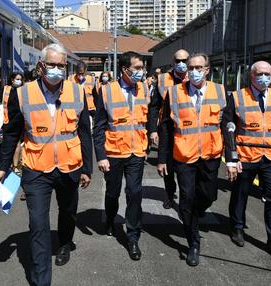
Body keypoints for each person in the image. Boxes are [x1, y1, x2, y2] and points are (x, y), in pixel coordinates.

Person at [0, 43, 93, 286]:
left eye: (61, 65)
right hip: (36, 169)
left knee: (68, 212)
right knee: (38, 224)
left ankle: (65, 243)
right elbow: (11, 133)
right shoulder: (22, 93)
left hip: (70, 166)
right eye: (52, 65)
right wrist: (3, 166)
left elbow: (84, 132)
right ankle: (41, 280)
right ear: (41, 66)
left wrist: (87, 168)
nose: (57, 70)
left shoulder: (77, 92)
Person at [157, 53, 226, 266]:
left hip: (210, 154)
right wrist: (162, 158)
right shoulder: (175, 93)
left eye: (198, 67)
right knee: (186, 198)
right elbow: (166, 128)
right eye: (191, 67)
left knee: (209, 195)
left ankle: (194, 214)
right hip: (184, 156)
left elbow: (228, 126)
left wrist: (232, 158)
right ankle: (193, 242)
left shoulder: (220, 91)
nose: (194, 71)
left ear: (207, 70)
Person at [224, 61, 271, 262]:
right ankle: (237, 227)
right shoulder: (237, 97)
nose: (265, 78)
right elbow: (228, 130)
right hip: (246, 155)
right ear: (252, 76)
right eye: (261, 74)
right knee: (240, 193)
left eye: (268, 74)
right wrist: (232, 158)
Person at [94, 51, 149, 261]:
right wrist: (101, 155)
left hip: (137, 151)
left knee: (134, 192)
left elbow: (147, 117)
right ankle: (109, 218)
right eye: (137, 68)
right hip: (114, 152)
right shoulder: (106, 91)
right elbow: (98, 126)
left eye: (142, 68)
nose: (141, 72)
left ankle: (132, 237)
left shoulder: (144, 88)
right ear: (125, 69)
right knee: (113, 192)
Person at [148, 49, 189, 209]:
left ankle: (187, 198)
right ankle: (170, 194)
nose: (181, 64)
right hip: (168, 129)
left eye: (184, 60)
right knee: (167, 166)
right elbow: (153, 107)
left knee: (187, 167)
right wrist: (152, 130)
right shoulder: (163, 80)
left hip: (189, 131)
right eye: (178, 60)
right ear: (173, 61)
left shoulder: (192, 77)